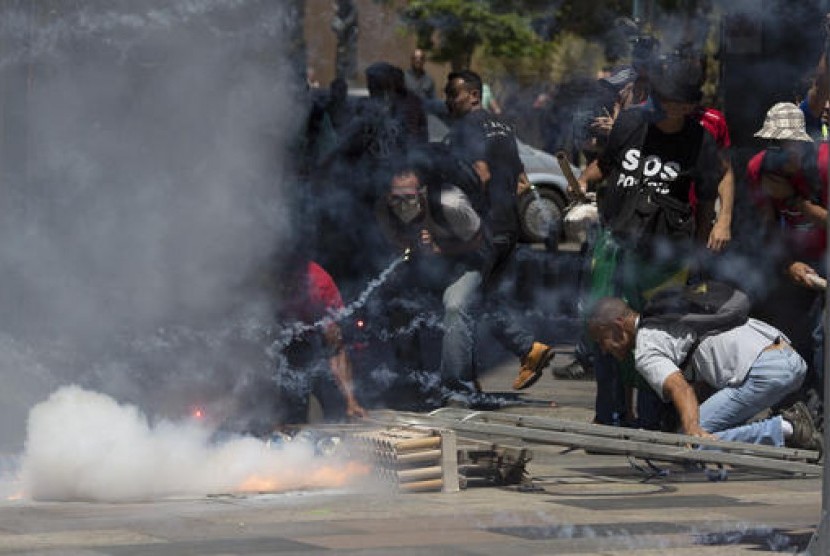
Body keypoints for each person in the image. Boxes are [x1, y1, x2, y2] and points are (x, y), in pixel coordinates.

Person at [575, 53, 734, 429]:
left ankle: (651, 421)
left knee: (655, 338)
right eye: (659, 99)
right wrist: (582, 181)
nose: (661, 107)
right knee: (604, 327)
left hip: (666, 255)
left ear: (688, 106)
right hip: (616, 246)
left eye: (671, 102)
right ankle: (612, 415)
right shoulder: (631, 122)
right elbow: (608, 166)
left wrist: (715, 228)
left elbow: (712, 189)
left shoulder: (699, 140)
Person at [586, 296, 821, 453]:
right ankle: (786, 422)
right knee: (703, 428)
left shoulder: (646, 348)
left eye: (602, 339)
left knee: (692, 442)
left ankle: (787, 428)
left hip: (766, 371)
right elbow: (701, 382)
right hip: (788, 355)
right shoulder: (666, 315)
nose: (604, 349)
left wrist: (691, 429)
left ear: (618, 324)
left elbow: (680, 388)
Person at [443, 69, 554, 393]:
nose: (448, 101)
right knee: (482, 299)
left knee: (459, 301)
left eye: (454, 94)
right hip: (508, 227)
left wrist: (462, 221)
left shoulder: (466, 127)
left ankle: (463, 384)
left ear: (474, 95)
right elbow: (522, 182)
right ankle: (523, 352)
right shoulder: (503, 126)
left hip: (482, 229)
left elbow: (481, 173)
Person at [375, 149, 487, 403]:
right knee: (398, 307)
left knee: (455, 307)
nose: (402, 205)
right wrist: (411, 246)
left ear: (423, 192)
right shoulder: (384, 208)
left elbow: (480, 241)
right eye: (396, 198)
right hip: (423, 266)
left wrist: (440, 248)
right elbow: (394, 240)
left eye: (409, 197)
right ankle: (412, 380)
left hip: (463, 263)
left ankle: (459, 388)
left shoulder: (451, 203)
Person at [746, 101, 828, 418]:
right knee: (788, 333)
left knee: (823, 338)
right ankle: (792, 410)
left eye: (785, 145)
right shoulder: (759, 167)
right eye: (773, 145)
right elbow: (767, 228)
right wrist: (787, 264)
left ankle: (823, 413)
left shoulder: (824, 164)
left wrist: (795, 200)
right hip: (795, 258)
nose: (779, 153)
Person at [230, 250, 366, 436]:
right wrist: (272, 413)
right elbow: (258, 356)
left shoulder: (319, 285)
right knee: (287, 423)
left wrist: (351, 400)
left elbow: (336, 349)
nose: (284, 286)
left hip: (315, 345)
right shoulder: (263, 287)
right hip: (283, 347)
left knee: (336, 415)